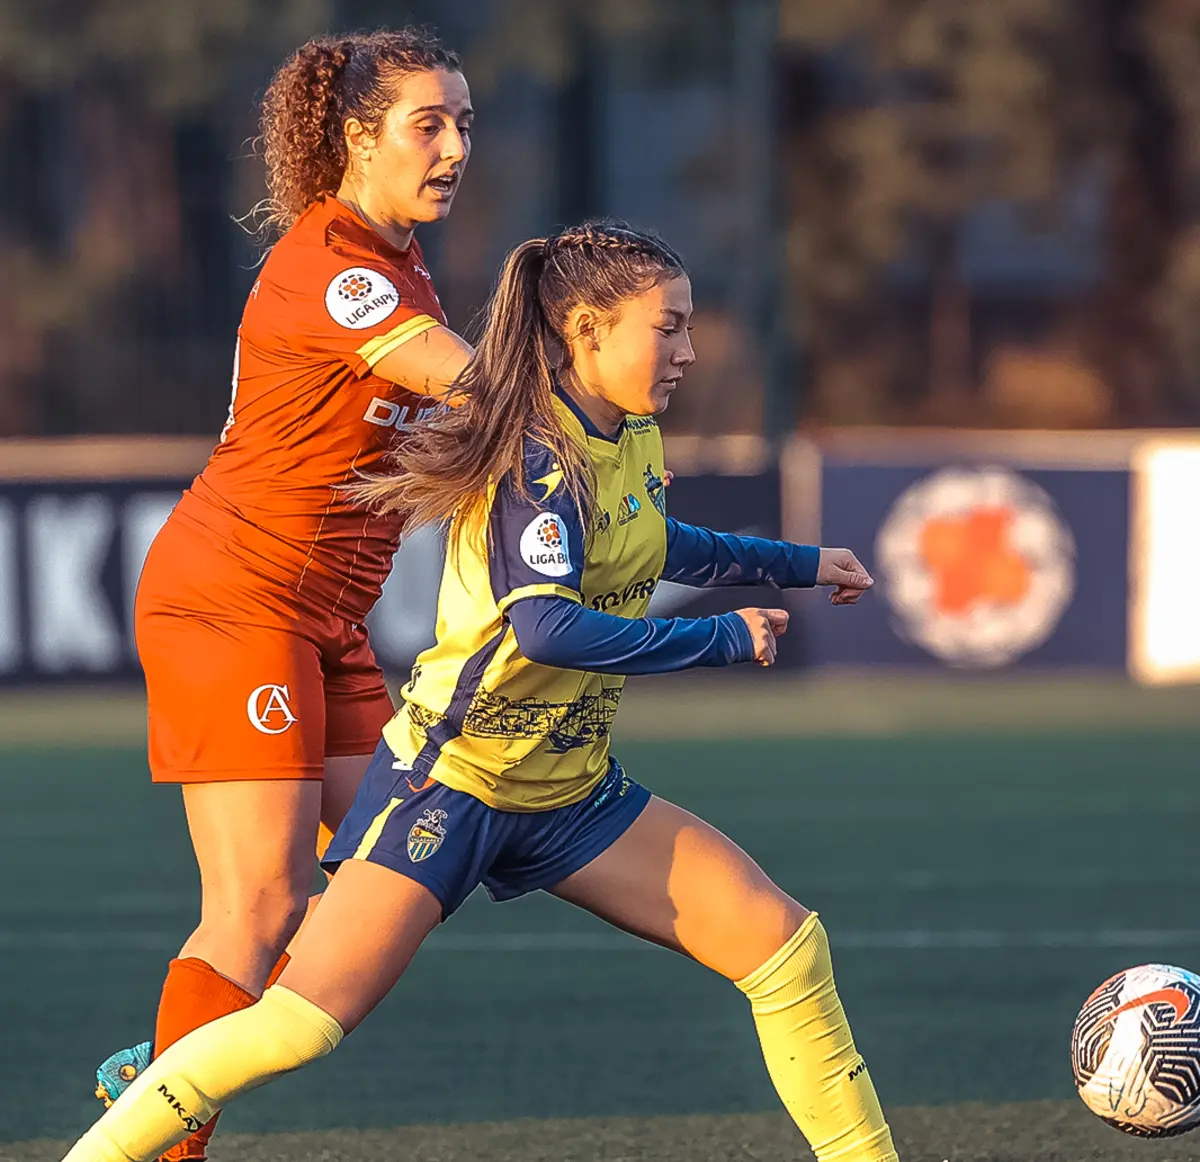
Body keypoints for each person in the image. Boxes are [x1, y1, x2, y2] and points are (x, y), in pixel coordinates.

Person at [64, 222, 898, 1162]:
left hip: (569, 792)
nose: (689, 350)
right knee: (296, 1024)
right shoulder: (537, 458)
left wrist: (797, 564)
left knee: (786, 948)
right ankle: (135, 1111)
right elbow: (547, 627)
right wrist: (714, 637)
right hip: (452, 786)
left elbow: (657, 538)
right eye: (668, 327)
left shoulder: (631, 434)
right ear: (588, 329)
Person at [91, 27, 477, 1162]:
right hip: (234, 601)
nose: (455, 146)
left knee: (401, 863)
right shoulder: (336, 265)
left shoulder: (402, 263)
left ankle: (165, 1068)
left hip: (322, 621)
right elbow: (469, 382)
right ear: (357, 138)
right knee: (259, 905)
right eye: (428, 123)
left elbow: (435, 443)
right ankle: (164, 1135)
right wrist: (588, 370)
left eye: (465, 123)